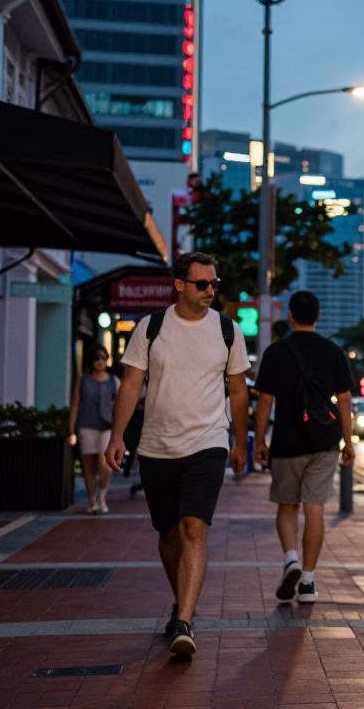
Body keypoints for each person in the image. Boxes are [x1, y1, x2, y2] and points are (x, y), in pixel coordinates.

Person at [104, 253, 251, 657]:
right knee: (168, 534)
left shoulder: (227, 330)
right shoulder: (151, 328)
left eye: (214, 284)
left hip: (207, 443)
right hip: (156, 446)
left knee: (193, 529)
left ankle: (184, 620)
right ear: (180, 285)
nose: (210, 291)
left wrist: (240, 442)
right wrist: (118, 436)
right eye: (202, 284)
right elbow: (131, 385)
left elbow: (238, 391)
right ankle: (180, 602)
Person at [252, 290, 355, 605]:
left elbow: (265, 401)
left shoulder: (275, 352)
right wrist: (348, 442)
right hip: (324, 442)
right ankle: (308, 581)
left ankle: (291, 559)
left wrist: (259, 440)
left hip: (286, 441)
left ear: (290, 316)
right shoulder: (334, 352)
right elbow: (344, 400)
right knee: (315, 508)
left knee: (287, 506)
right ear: (318, 315)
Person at [69, 345, 118, 515]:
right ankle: (92, 500)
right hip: (86, 424)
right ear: (91, 361)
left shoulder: (113, 380)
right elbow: (76, 404)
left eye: (103, 358)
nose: (100, 361)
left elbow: (120, 405)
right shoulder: (83, 380)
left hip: (107, 426)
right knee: (88, 465)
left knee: (104, 462)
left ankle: (102, 496)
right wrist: (71, 429)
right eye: (97, 358)